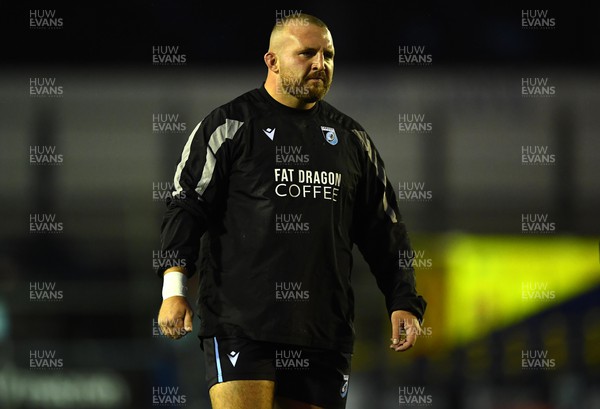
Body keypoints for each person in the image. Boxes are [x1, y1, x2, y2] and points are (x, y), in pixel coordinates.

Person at [156, 12, 427, 409]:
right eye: (308, 54)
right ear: (272, 61)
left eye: (329, 55)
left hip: (323, 329)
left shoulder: (352, 140)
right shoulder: (230, 126)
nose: (321, 64)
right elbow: (185, 207)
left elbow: (385, 227)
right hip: (242, 324)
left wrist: (403, 300)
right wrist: (173, 290)